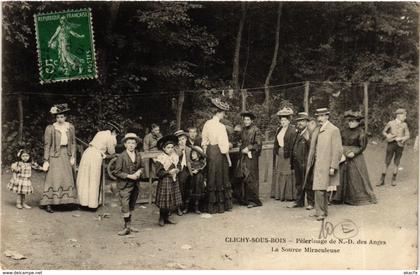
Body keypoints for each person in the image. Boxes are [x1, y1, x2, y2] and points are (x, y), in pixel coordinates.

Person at [332, 111, 377, 205]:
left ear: (357, 122)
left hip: (355, 158)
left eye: (352, 121)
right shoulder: (344, 131)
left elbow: (362, 146)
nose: (350, 123)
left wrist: (354, 153)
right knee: (342, 175)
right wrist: (342, 151)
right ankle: (339, 197)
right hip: (344, 155)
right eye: (349, 121)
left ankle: (355, 198)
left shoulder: (361, 133)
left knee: (355, 177)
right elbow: (340, 142)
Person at [40, 104, 78, 213]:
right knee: (53, 177)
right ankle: (49, 203)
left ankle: (65, 202)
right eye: (57, 117)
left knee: (66, 177)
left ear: (65, 117)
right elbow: (47, 144)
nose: (60, 119)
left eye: (62, 117)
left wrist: (73, 156)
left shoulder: (70, 127)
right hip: (54, 155)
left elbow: (73, 142)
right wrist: (46, 159)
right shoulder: (51, 128)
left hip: (66, 153)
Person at [77, 122, 121, 209]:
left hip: (87, 153)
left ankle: (82, 202)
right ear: (114, 131)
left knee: (85, 177)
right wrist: (114, 155)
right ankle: (92, 204)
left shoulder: (100, 133)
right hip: (95, 156)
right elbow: (111, 152)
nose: (116, 135)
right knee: (93, 178)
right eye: (116, 133)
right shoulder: (111, 137)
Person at [310, 108, 343, 221]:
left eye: (322, 116)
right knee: (320, 188)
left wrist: (333, 166)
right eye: (318, 116)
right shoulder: (318, 129)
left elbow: (337, 150)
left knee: (320, 188)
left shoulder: (334, 130)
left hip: (326, 164)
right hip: (318, 163)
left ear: (327, 116)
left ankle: (320, 212)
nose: (319, 118)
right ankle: (322, 211)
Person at [201, 98, 233, 214]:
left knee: (211, 176)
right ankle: (220, 206)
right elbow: (224, 147)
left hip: (210, 152)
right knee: (220, 177)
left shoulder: (207, 124)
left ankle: (211, 206)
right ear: (219, 113)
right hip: (219, 153)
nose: (224, 115)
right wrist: (228, 158)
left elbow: (204, 141)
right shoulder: (221, 127)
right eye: (223, 113)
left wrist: (206, 154)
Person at [113, 133, 144, 236]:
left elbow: (142, 167)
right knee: (125, 205)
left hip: (135, 184)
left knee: (131, 204)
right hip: (124, 185)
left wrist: (138, 172)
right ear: (125, 144)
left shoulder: (138, 154)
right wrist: (129, 176)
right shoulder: (121, 156)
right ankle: (126, 227)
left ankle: (129, 225)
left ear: (136, 145)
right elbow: (116, 172)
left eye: (133, 143)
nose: (131, 145)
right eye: (129, 143)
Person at [235, 112, 263, 208]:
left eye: (248, 120)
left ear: (252, 120)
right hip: (243, 156)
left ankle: (253, 201)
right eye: (245, 120)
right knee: (243, 176)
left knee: (251, 177)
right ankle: (245, 199)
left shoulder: (256, 130)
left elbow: (258, 144)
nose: (246, 121)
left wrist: (249, 148)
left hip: (252, 156)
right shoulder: (242, 130)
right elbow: (239, 140)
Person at [155, 135, 183, 226]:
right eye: (168, 147)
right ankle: (161, 217)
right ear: (163, 148)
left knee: (171, 199)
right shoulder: (161, 158)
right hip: (165, 181)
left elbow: (178, 165)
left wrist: (178, 169)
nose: (170, 149)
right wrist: (168, 172)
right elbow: (158, 172)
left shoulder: (175, 156)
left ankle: (167, 217)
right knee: (164, 200)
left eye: (172, 147)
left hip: (173, 180)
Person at [378, 108, 410, 187]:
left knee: (397, 161)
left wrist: (402, 138)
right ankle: (382, 180)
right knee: (387, 161)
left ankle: (393, 179)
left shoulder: (404, 124)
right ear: (399, 116)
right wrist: (387, 135)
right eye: (404, 115)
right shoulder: (390, 123)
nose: (405, 117)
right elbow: (383, 131)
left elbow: (408, 135)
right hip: (391, 144)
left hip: (400, 145)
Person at [271, 107, 298, 201]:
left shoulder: (292, 130)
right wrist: (277, 150)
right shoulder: (279, 130)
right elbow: (276, 142)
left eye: (284, 120)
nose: (283, 122)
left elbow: (293, 144)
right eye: (281, 120)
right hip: (280, 154)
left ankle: (288, 195)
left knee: (287, 173)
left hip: (288, 154)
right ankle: (279, 194)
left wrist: (291, 155)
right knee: (280, 173)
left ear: (288, 121)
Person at [289, 112, 311, 208]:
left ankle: (311, 202)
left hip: (305, 162)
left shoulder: (310, 133)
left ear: (307, 122)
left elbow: (313, 147)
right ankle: (299, 201)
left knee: (308, 182)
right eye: (299, 121)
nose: (300, 123)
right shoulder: (297, 132)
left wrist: (307, 140)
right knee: (298, 183)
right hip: (297, 162)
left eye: (302, 121)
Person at [174, 130, 193, 215]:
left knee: (189, 186)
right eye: (179, 139)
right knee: (180, 186)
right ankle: (179, 207)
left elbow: (191, 161)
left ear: (186, 139)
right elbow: (174, 159)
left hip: (187, 169)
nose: (181, 141)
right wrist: (180, 151)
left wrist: (192, 171)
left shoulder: (189, 149)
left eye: (183, 139)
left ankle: (187, 206)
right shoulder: (175, 149)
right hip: (178, 170)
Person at [302, 116, 318, 210]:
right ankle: (310, 202)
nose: (309, 125)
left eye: (311, 123)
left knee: (315, 181)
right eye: (308, 123)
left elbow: (314, 146)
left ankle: (321, 201)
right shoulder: (306, 133)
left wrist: (308, 140)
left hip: (316, 160)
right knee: (308, 180)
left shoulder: (318, 133)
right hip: (308, 161)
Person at [188, 146, 207, 214]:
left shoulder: (202, 163)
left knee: (198, 192)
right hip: (193, 180)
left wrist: (204, 180)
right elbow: (190, 171)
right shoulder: (191, 163)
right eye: (192, 154)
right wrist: (192, 171)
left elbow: (204, 172)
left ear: (198, 155)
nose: (192, 155)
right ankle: (187, 207)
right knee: (190, 192)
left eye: (194, 154)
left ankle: (197, 207)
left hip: (199, 180)